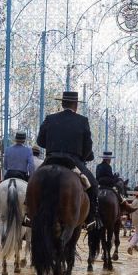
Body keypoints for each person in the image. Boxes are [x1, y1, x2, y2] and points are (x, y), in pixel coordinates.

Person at [34, 90, 98, 226]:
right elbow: (88, 146)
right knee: (93, 185)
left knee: (32, 181)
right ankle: (91, 218)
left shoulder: (50, 118)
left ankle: (28, 213)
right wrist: (82, 156)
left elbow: (40, 141)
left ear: (62, 103)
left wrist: (52, 146)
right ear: (76, 105)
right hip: (73, 161)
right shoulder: (82, 121)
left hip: (51, 158)